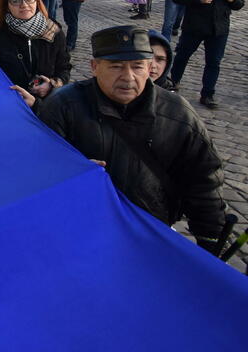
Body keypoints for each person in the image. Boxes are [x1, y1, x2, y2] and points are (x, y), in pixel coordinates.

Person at [36, 26, 226, 248]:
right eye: (116, 67)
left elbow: (204, 179)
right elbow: (37, 170)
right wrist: (68, 173)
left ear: (149, 68)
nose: (128, 77)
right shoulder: (62, 106)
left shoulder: (178, 113)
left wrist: (210, 239)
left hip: (148, 234)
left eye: (137, 66)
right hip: (78, 231)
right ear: (94, 67)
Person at [168, 0, 244, 109]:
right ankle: (173, 82)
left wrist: (234, 0)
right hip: (194, 26)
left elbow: (239, 5)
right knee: (182, 56)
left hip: (219, 29)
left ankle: (207, 94)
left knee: (214, 62)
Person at [0, 0, 71, 104]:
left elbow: (64, 68)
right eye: (16, 1)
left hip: (46, 106)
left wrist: (52, 85)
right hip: (8, 105)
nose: (24, 5)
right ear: (6, 5)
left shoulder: (54, 32)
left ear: (36, 0)